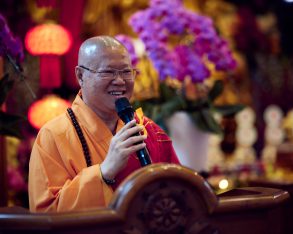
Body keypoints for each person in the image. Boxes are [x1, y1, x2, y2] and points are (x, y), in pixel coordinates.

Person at [28, 36, 180, 212]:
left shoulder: (150, 131)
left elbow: (178, 193)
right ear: (80, 76)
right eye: (108, 72)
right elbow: (46, 214)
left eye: (126, 72)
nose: (120, 81)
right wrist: (104, 172)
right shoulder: (53, 135)